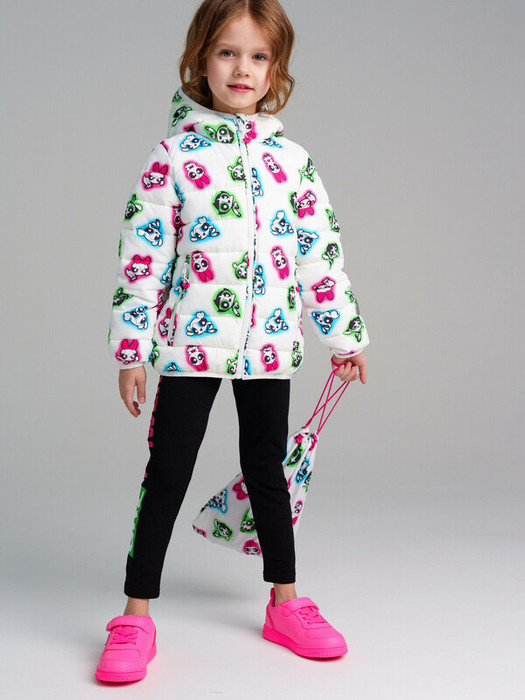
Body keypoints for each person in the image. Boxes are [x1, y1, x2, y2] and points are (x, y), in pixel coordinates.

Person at [96, 0, 369, 683]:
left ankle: (285, 602)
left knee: (267, 469)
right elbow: (143, 259)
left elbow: (318, 257)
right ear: (200, 60)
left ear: (275, 68)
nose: (242, 69)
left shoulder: (292, 163)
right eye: (227, 52)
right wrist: (131, 351)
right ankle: (135, 614)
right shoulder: (173, 157)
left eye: (257, 56)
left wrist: (344, 336)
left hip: (268, 344)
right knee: (168, 470)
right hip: (190, 343)